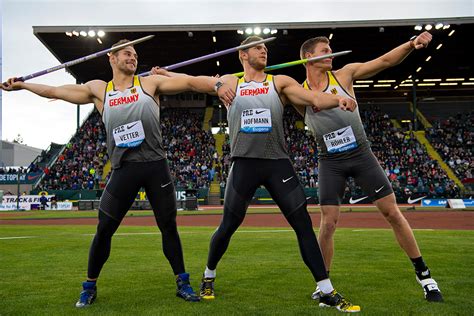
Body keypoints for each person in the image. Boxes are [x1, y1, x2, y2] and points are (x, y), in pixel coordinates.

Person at [2, 39, 235, 307]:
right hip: (123, 170)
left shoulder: (149, 84)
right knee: (104, 230)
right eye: (127, 53)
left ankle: (183, 283)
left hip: (156, 166)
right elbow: (55, 90)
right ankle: (89, 287)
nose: (132, 58)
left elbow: (193, 83)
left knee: (169, 228)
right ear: (111, 58)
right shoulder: (100, 90)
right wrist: (23, 85)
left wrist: (216, 85)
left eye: (135, 54)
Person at [183, 35, 360, 312]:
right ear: (243, 54)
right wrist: (167, 74)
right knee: (228, 226)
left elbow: (313, 97)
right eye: (257, 47)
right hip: (244, 164)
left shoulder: (279, 82)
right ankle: (208, 275)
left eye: (265, 47)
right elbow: (193, 81)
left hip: (278, 163)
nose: (264, 50)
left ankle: (326, 289)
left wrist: (338, 101)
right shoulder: (232, 81)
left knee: (303, 225)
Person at [296, 31, 443, 302]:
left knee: (392, 213)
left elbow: (385, 61)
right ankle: (324, 284)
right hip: (330, 161)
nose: (331, 51)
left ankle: (425, 276)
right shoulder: (296, 92)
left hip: (361, 154)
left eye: (331, 47)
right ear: (308, 57)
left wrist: (411, 44)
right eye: (324, 49)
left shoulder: (344, 75)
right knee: (328, 223)